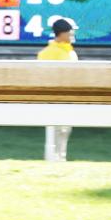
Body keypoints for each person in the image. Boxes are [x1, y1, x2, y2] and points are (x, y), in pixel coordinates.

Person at [37, 18, 79, 161]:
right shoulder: (67, 54)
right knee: (62, 129)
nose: (73, 35)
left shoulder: (45, 53)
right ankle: (59, 158)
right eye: (71, 32)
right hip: (62, 98)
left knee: (56, 129)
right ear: (62, 33)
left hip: (51, 99)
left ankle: (55, 157)